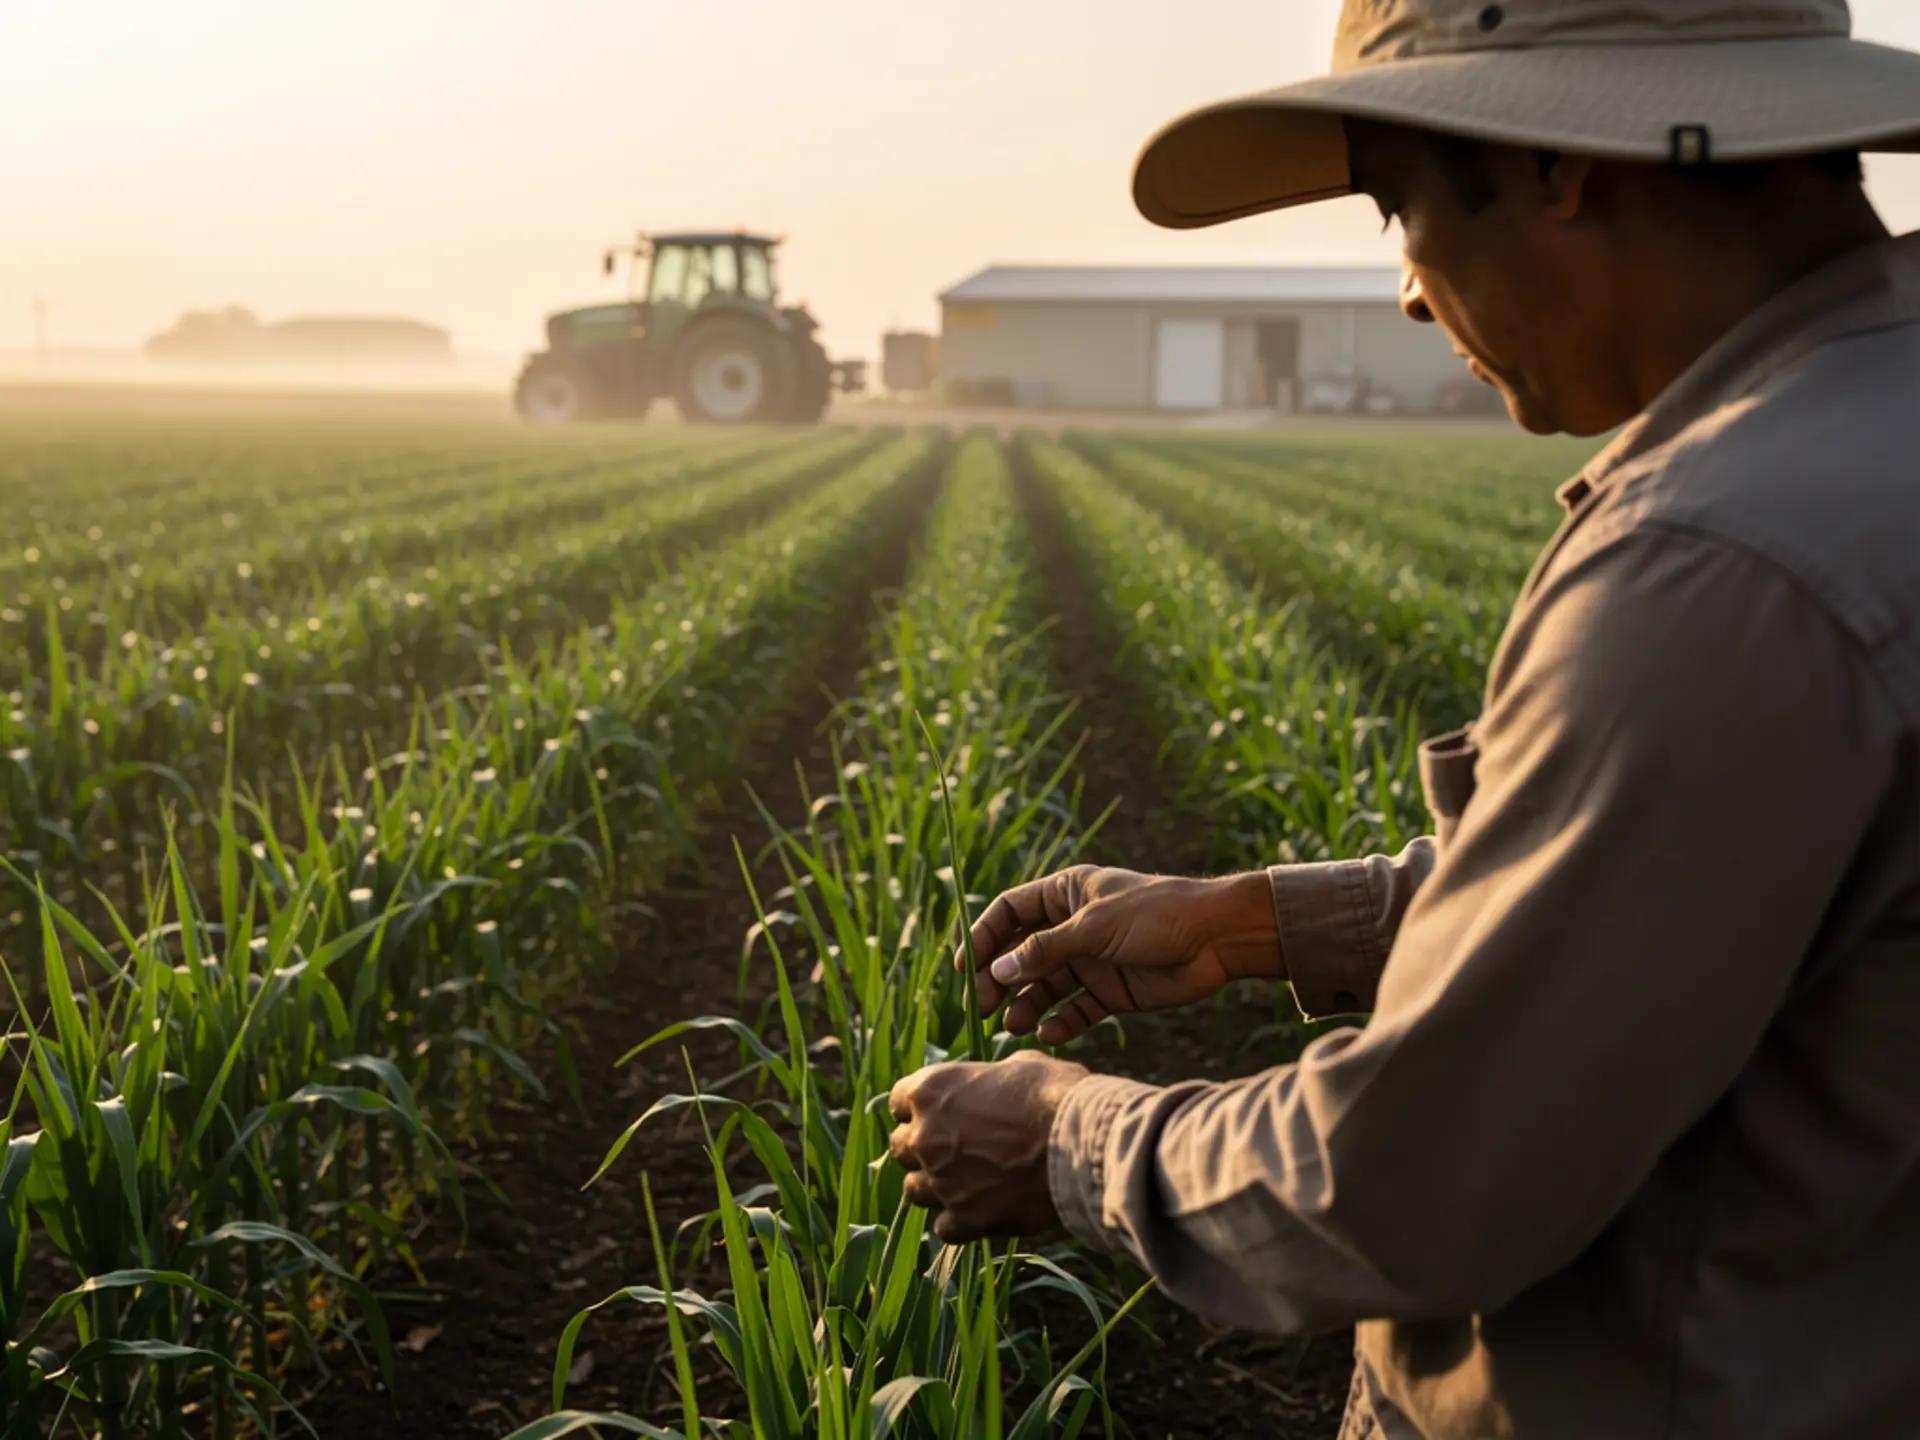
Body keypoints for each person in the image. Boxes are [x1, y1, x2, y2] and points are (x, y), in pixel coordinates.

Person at [886, 3, 1920, 1436]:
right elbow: (1730, 896)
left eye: (1398, 205)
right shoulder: (1869, 439)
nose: (1414, 299)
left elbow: (1410, 1179)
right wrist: (1253, 922)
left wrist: (1064, 1136)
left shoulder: (1720, 564)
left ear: (1557, 162)